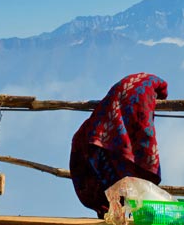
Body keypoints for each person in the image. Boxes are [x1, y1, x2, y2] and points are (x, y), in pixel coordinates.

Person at [69, 73, 168, 217]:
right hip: (101, 146)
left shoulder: (116, 102)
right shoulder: (139, 101)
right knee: (120, 184)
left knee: (118, 183)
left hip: (98, 142)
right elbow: (143, 134)